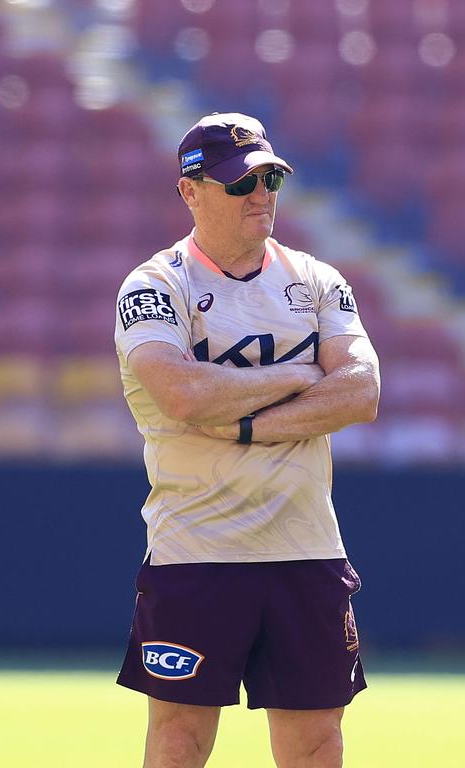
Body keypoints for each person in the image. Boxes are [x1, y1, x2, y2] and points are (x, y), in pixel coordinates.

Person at [114, 112, 380, 768]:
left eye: (270, 178)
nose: (261, 194)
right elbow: (180, 394)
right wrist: (297, 373)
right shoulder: (154, 286)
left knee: (318, 742)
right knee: (179, 740)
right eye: (241, 183)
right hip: (195, 551)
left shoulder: (318, 280)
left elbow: (361, 390)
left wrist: (244, 425)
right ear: (190, 191)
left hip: (305, 548)